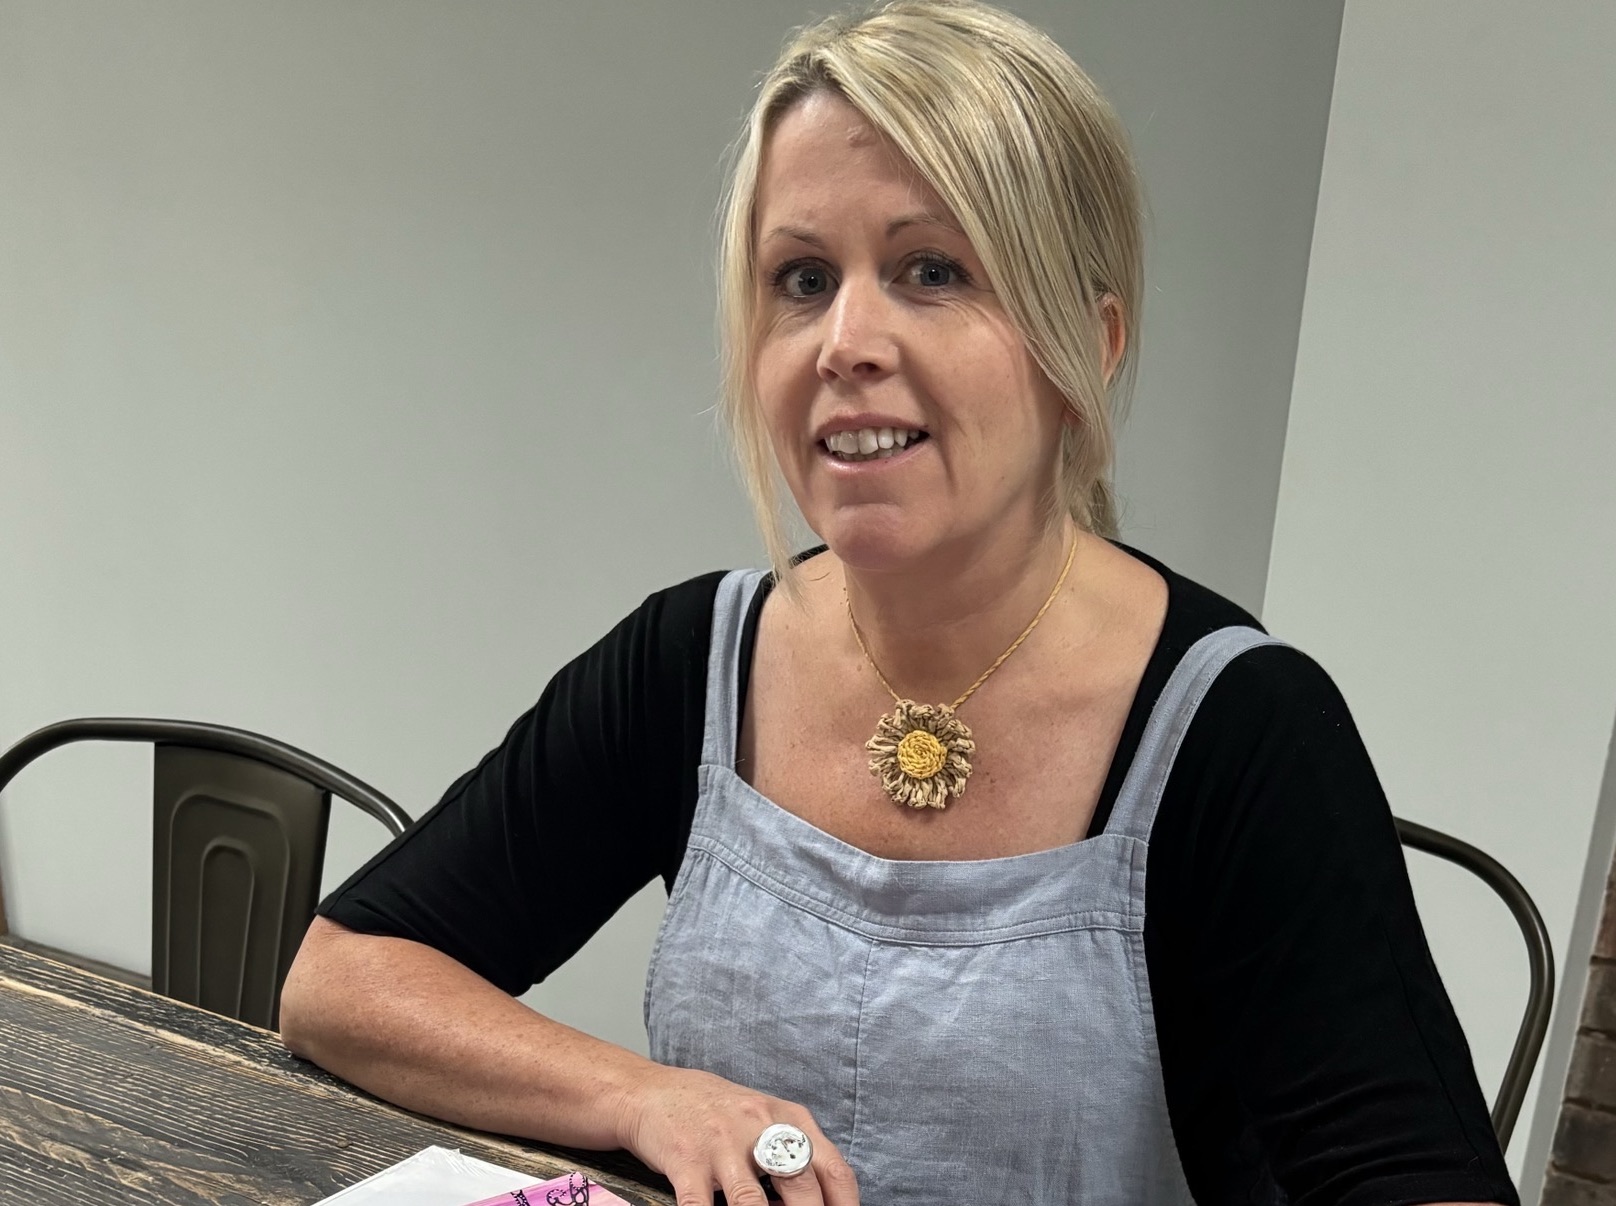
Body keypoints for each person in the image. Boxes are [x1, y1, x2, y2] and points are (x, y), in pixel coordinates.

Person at [279, 3, 1519, 1204]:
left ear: (1087, 345)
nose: (843, 341)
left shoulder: (1240, 731)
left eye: (931, 269)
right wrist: (646, 1097)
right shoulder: (691, 660)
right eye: (802, 279)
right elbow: (345, 979)